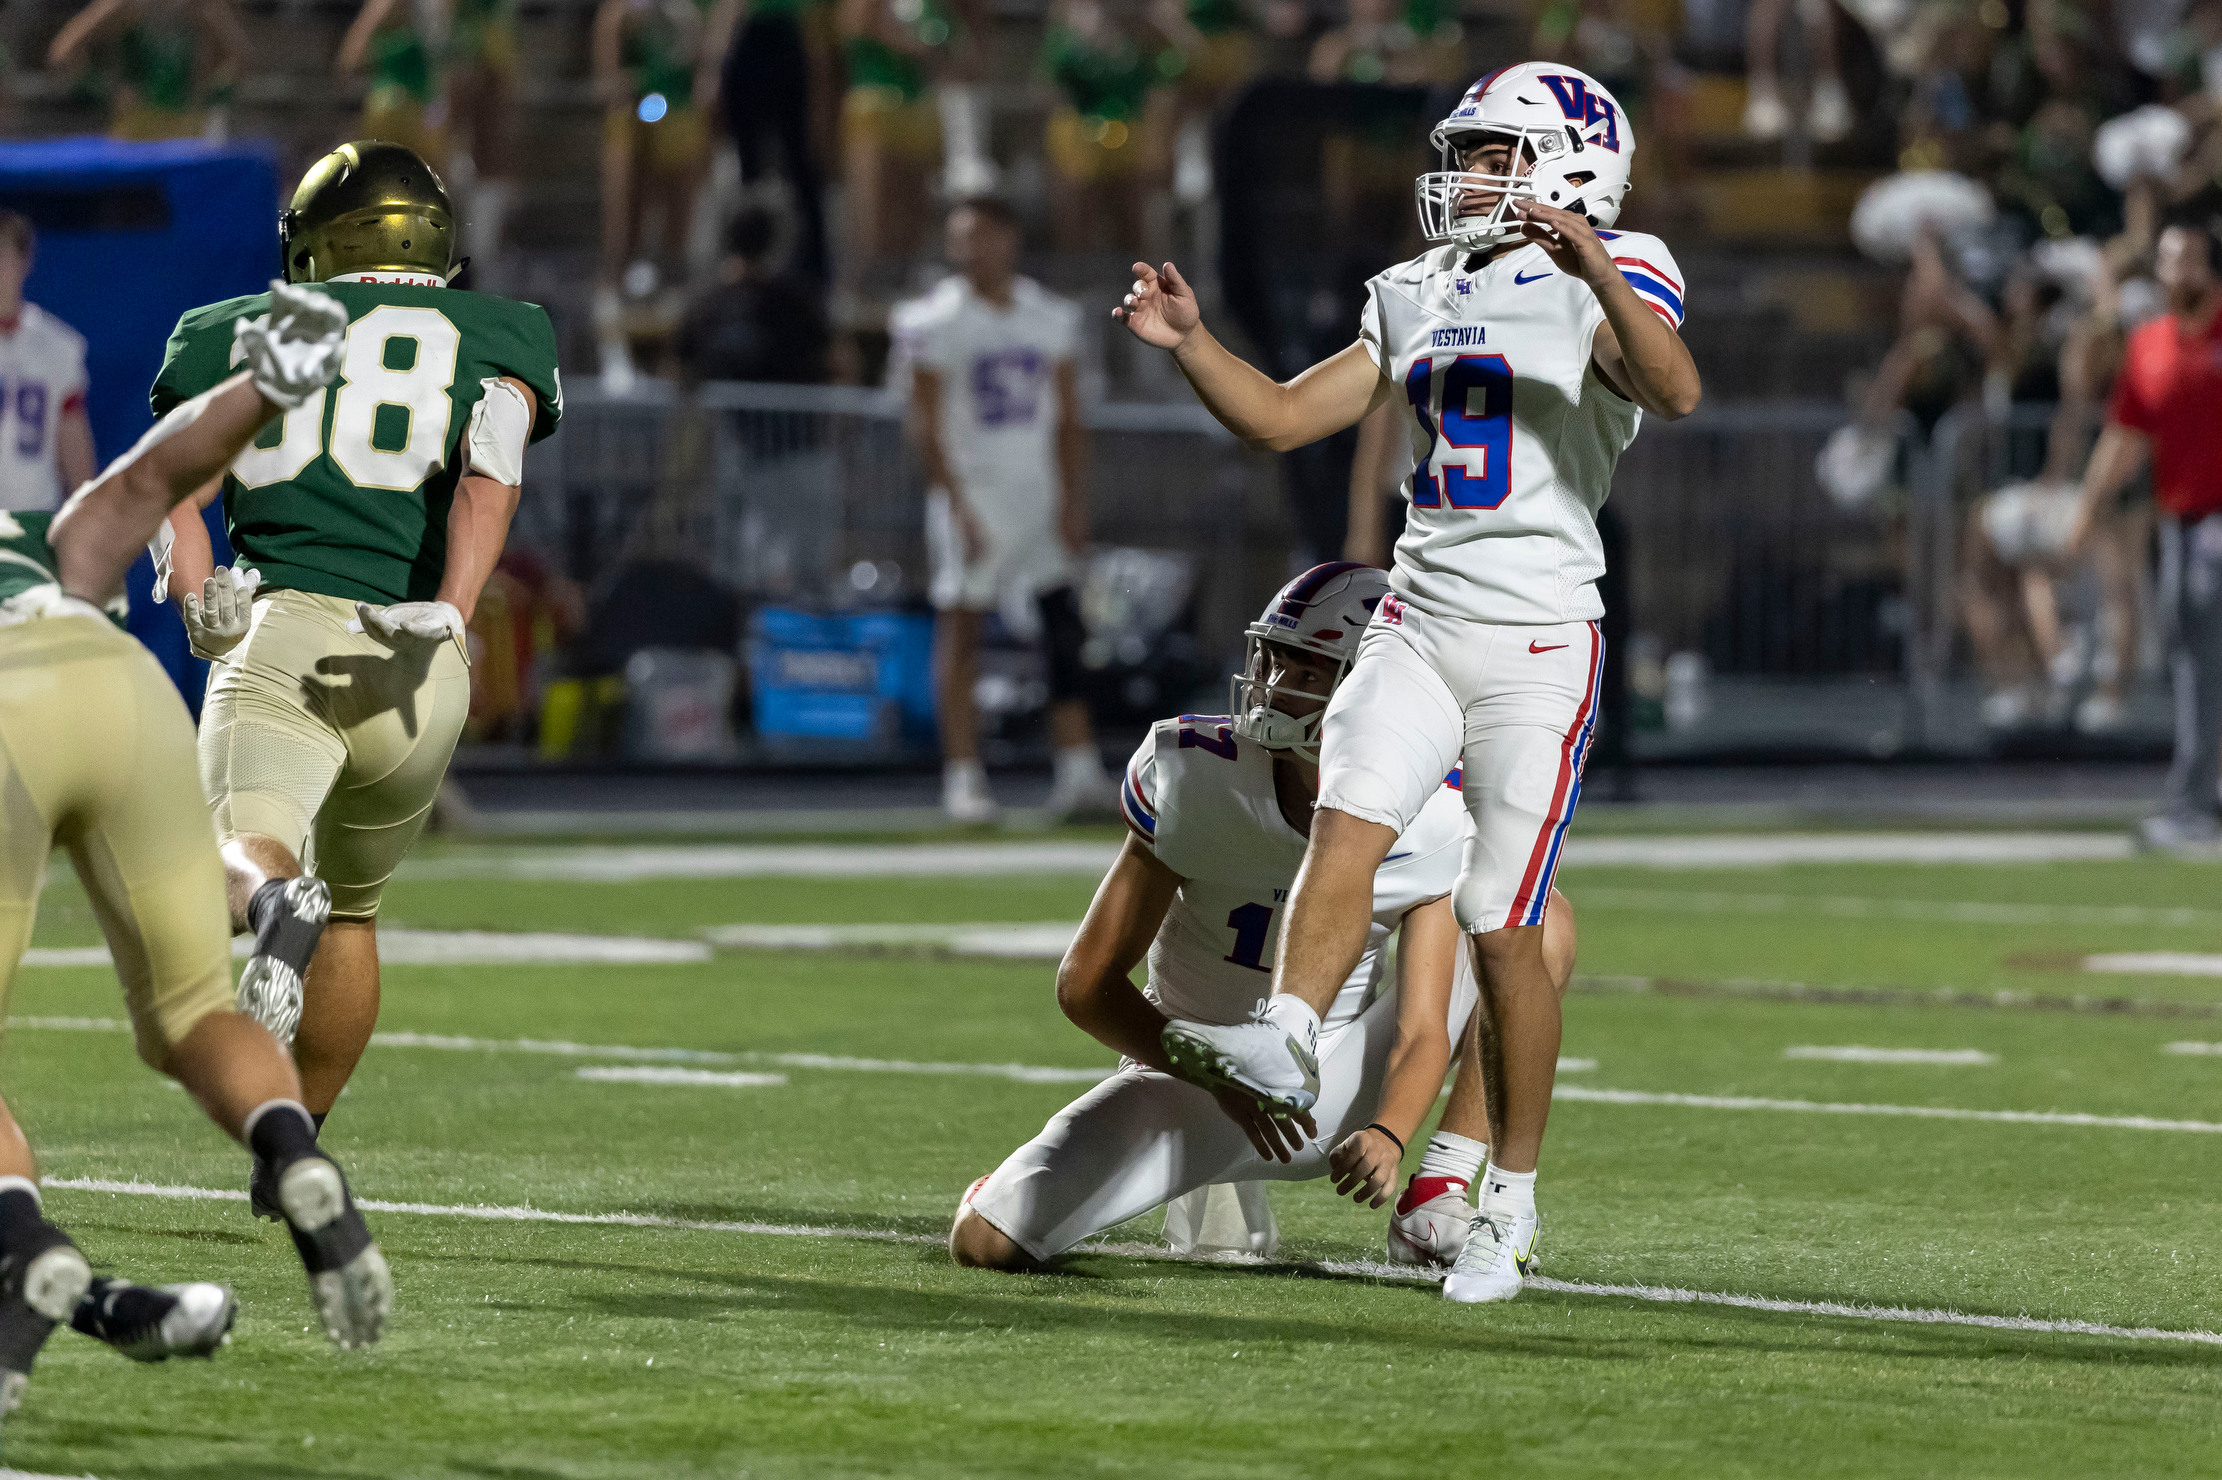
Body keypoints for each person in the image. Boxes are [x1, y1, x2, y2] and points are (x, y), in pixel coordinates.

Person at [1115, 62, 1699, 1303]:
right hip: (1417, 611)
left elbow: (1673, 388)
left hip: (1537, 635)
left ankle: (1507, 1200)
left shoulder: (1624, 263)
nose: (1470, 175)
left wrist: (1592, 263)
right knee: (1350, 811)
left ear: (1568, 163)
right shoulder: (1419, 285)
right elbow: (1280, 417)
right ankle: (1284, 1036)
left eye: (1494, 154)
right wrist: (1191, 343)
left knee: (1501, 921)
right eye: (1472, 153)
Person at [0, 282, 393, 1424]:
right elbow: (144, 481)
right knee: (192, 1014)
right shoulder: (37, 534)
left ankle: (26, 1248)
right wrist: (264, 382)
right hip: (117, 685)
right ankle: (288, 1148)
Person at [147, 141, 563, 1212]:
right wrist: (454, 615)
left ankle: (272, 899)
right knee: (358, 912)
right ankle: (296, 1148)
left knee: (247, 856)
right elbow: (490, 476)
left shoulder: (224, 329)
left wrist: (200, 602)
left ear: (313, 244)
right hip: (421, 668)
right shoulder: (505, 331)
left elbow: (172, 488)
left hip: (288, 631)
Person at [951, 563, 1579, 1270]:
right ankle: (1068, 1183)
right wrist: (1217, 1075)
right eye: (1275, 658)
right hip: (1184, 1079)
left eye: (1308, 666)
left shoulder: (1434, 812)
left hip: (1327, 1089)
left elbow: (1420, 1029)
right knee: (986, 1243)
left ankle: (1438, 1193)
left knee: (1534, 921)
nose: (1276, 684)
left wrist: (1392, 1135)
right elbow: (1085, 983)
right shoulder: (1193, 772)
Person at [894, 197, 1111, 824]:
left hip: (1037, 490)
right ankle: (963, 775)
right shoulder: (935, 319)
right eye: (961, 238)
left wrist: (1072, 500)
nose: (972, 251)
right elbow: (925, 422)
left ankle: (1076, 767)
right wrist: (952, 501)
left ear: (1010, 238)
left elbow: (1069, 417)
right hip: (975, 491)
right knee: (963, 628)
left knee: (1062, 627)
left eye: (983, 236)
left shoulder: (1048, 316)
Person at [2068, 219, 2222, 854]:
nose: (2175, 270)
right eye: (2166, 259)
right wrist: (2087, 509)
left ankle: (2194, 798)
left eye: (2187, 258)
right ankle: (2193, 802)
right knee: (2193, 659)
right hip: (2181, 522)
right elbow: (2126, 437)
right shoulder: (2149, 344)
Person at [592, 0, 743, 385]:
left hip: (680, 116)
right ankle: (614, 348)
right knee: (624, 232)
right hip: (636, 118)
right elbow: (610, 73)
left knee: (678, 233)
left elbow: (708, 60)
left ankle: (676, 348)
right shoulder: (624, 11)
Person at [0, 214, 95, 516]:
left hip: (31, 521)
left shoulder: (58, 347)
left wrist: (84, 516)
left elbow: (74, 450)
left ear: (24, 261)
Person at [46, 0, 246, 142]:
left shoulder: (200, 8)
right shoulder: (127, 6)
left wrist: (213, 95)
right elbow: (64, 52)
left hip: (187, 130)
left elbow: (241, 59)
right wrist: (102, 92)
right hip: (136, 130)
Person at [675, 204, 832, 384]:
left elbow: (678, 365)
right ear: (771, 243)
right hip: (782, 407)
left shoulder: (704, 302)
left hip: (717, 409)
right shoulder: (795, 300)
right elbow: (832, 355)